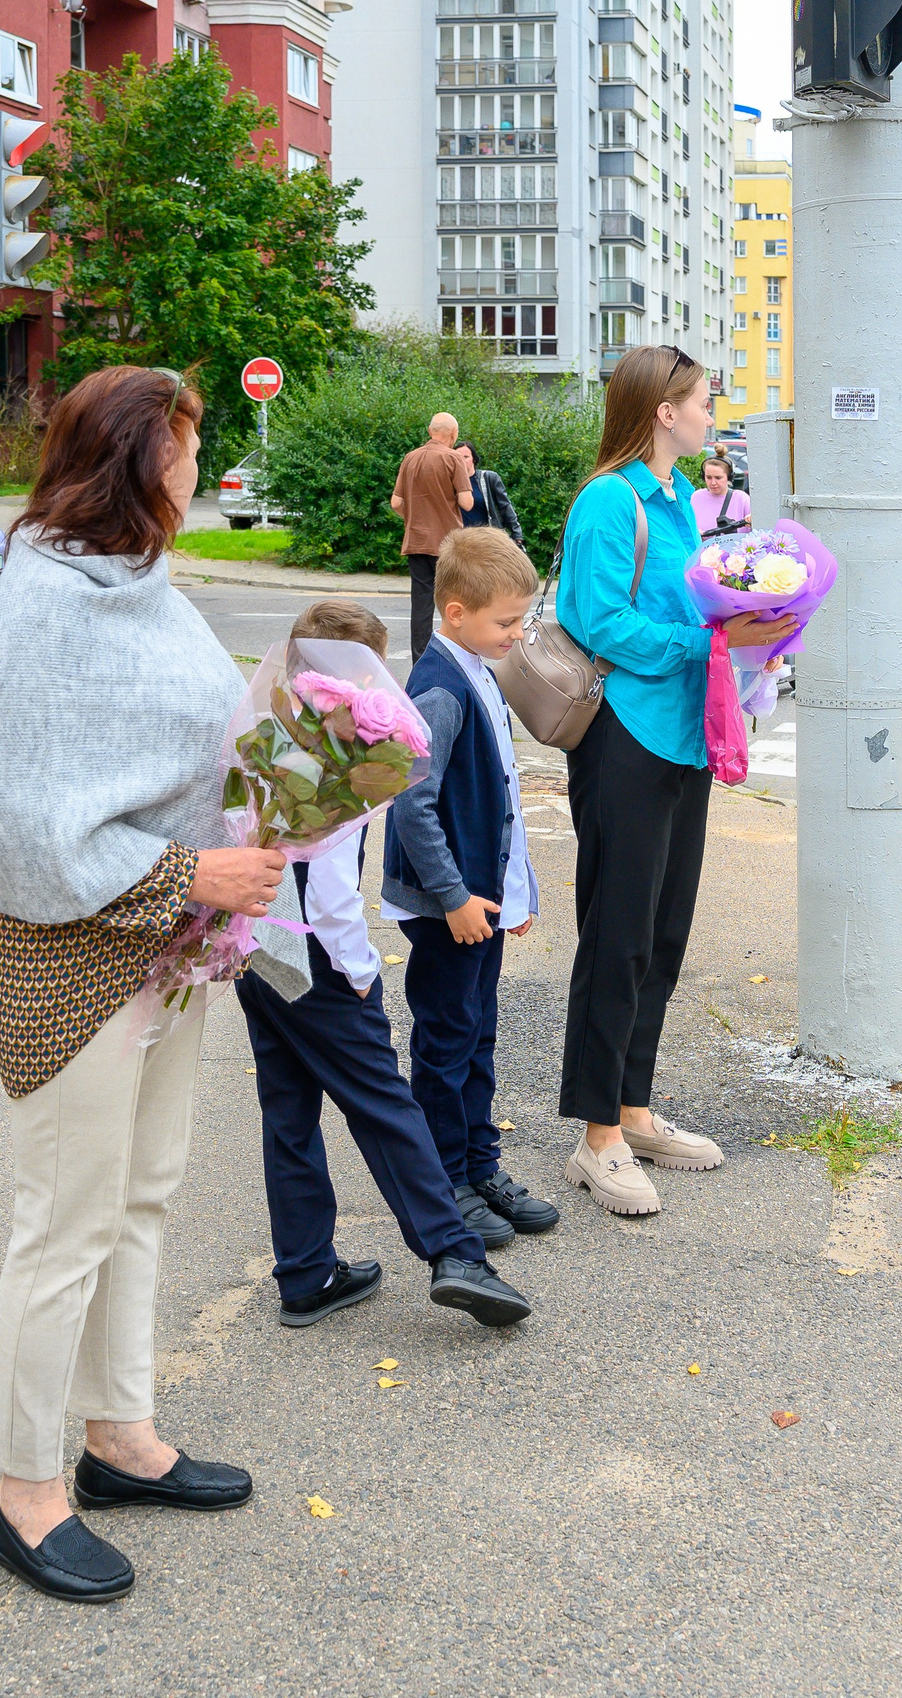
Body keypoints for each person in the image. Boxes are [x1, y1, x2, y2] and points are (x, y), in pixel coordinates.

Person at [0, 365, 305, 1605]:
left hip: (169, 941)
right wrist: (188, 864)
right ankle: (25, 1491)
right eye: (187, 447)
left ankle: (120, 1436)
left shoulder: (145, 585)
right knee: (64, 1225)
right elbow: (21, 817)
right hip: (68, 953)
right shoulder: (40, 604)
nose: (201, 468)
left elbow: (196, 739)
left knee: (145, 1197)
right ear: (131, 461)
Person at [235, 598, 534, 1330]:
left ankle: (306, 1270)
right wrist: (360, 968)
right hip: (318, 954)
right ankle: (453, 1251)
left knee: (289, 1110)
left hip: (251, 941)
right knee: (384, 1101)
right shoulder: (344, 751)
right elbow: (332, 885)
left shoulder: (268, 730)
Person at [551, 345, 794, 1216]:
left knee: (663, 932)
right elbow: (599, 620)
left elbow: (694, 602)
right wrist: (708, 644)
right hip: (623, 735)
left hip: (683, 737)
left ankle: (634, 1107)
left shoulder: (682, 503)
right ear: (661, 410)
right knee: (615, 935)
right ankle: (597, 1139)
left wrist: (752, 619)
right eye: (700, 400)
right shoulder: (608, 502)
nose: (709, 413)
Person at [380, 527, 565, 1246]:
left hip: (480, 902)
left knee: (478, 1033)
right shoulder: (438, 688)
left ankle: (479, 1163)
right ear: (454, 612)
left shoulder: (479, 667)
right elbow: (411, 802)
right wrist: (455, 897)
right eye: (506, 623)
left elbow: (501, 795)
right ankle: (446, 1182)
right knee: (446, 1042)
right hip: (449, 907)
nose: (518, 635)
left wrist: (510, 895)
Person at [390, 412, 475, 658]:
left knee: (421, 605)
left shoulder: (410, 458)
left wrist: (413, 518)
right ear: (454, 434)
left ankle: (420, 660)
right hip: (448, 545)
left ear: (430, 432)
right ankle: (457, 656)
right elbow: (466, 502)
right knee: (456, 602)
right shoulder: (453, 458)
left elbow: (396, 502)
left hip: (416, 541)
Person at [456, 438, 526, 551]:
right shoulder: (451, 483)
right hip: (461, 542)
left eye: (466, 457)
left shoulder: (488, 478)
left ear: (474, 459)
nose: (462, 461)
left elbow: (505, 506)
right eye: (458, 458)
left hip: (488, 540)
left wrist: (516, 534)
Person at [692, 450, 750, 539]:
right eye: (708, 477)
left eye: (718, 478)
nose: (713, 482)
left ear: (729, 477)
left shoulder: (742, 499)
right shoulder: (695, 498)